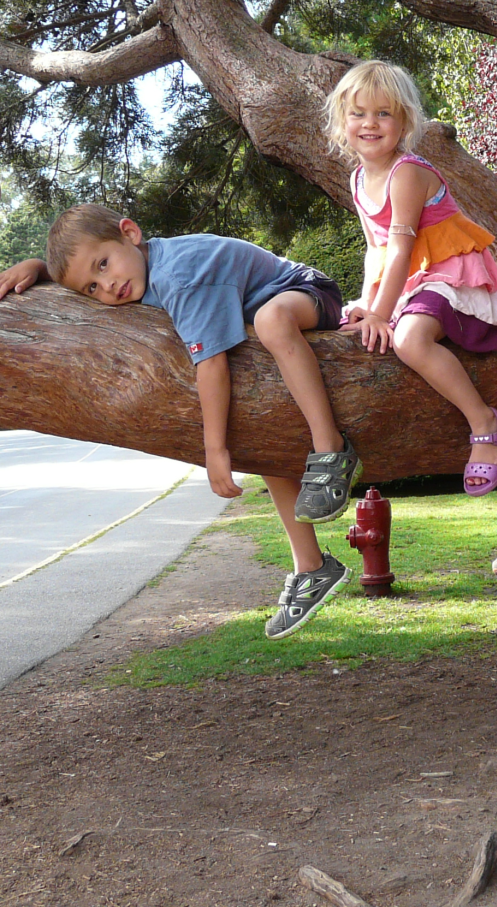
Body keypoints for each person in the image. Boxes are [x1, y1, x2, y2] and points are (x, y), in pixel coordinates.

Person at [0, 208, 360, 640]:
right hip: (255, 321)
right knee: (259, 438)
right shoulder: (139, 268)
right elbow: (82, 269)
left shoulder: (182, 274)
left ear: (130, 233)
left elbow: (212, 365)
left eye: (104, 265)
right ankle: (312, 567)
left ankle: (330, 447)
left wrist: (215, 451)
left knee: (272, 320)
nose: (107, 286)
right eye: (92, 287)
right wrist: (38, 268)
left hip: (302, 293)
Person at [325, 60, 497, 494]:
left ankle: (485, 423)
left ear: (404, 121)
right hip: (413, 280)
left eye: (383, 113)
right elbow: (375, 250)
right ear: (342, 120)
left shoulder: (406, 172)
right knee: (352, 326)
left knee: (409, 339)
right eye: (358, 113)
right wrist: (367, 303)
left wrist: (381, 314)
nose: (370, 124)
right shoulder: (358, 179)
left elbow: (400, 248)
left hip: (449, 275)